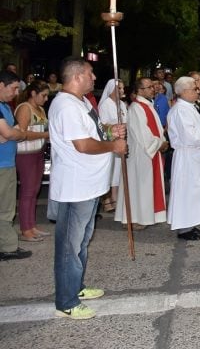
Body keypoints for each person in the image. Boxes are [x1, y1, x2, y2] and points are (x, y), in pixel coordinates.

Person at [48, 58, 127, 319]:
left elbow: (92, 131)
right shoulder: (66, 106)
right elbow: (82, 144)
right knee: (69, 246)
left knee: (81, 241)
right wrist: (113, 146)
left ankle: (76, 287)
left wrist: (108, 130)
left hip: (89, 184)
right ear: (78, 76)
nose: (94, 78)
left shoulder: (80, 102)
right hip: (75, 186)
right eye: (91, 74)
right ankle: (66, 302)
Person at [115, 78, 168, 229]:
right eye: (149, 87)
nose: (153, 89)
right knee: (138, 186)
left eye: (153, 86)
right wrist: (160, 143)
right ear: (139, 90)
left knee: (145, 187)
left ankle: (145, 216)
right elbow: (144, 135)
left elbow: (157, 128)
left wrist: (162, 140)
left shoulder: (147, 105)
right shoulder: (136, 108)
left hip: (149, 153)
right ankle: (134, 218)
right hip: (141, 155)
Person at [167, 77, 200, 241]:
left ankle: (191, 223)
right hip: (186, 155)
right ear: (185, 91)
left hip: (194, 155)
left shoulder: (190, 108)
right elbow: (190, 136)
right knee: (186, 192)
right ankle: (184, 228)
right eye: (195, 88)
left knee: (194, 191)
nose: (198, 90)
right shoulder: (180, 110)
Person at [0, 71, 35, 261]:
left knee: (6, 207)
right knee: (5, 209)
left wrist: (12, 133)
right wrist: (12, 133)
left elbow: (17, 131)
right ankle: (8, 247)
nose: (15, 93)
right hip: (2, 165)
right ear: (0, 85)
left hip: (7, 163)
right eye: (13, 88)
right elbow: (11, 133)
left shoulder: (5, 107)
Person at [14, 80, 50, 242]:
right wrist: (45, 135)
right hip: (26, 154)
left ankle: (31, 226)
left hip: (38, 152)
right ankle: (25, 229)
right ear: (33, 93)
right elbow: (21, 134)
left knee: (34, 190)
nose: (46, 99)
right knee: (27, 191)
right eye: (43, 95)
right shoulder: (24, 108)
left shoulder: (40, 109)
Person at [98, 79, 127, 213]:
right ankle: (107, 199)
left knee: (118, 171)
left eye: (122, 88)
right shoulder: (105, 104)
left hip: (121, 139)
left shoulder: (122, 104)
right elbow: (103, 124)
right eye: (119, 88)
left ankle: (116, 197)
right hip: (111, 140)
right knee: (110, 171)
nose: (122, 91)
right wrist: (115, 127)